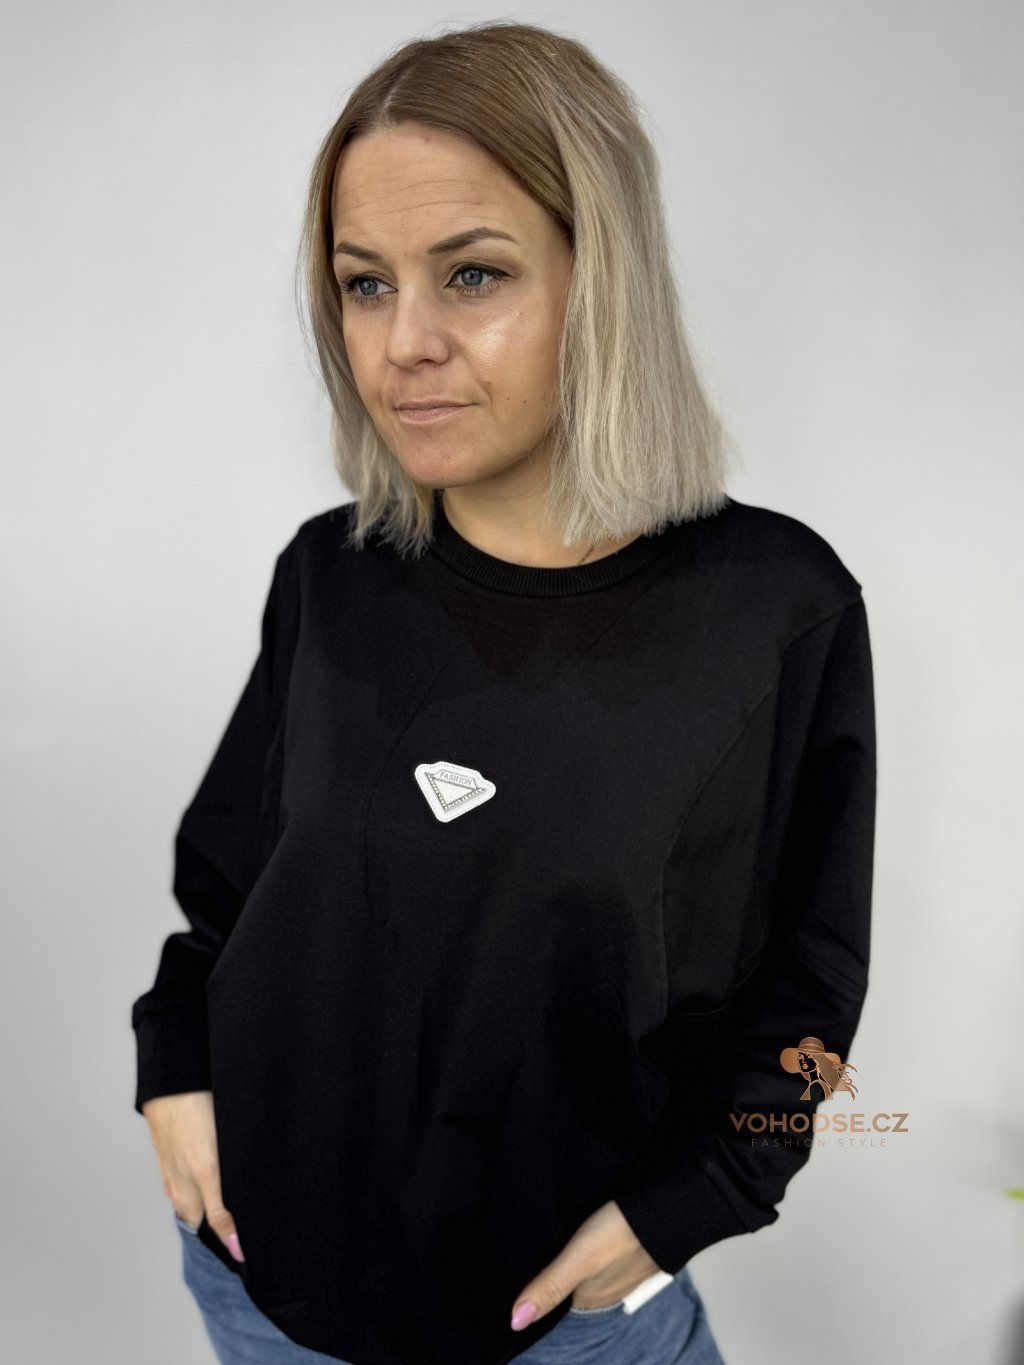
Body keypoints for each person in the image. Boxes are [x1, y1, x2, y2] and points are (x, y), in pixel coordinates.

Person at [131, 19, 876, 1365]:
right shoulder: (332, 575)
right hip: (265, 1291)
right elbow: (234, 891)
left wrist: (695, 1199)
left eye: (471, 274)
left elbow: (806, 985)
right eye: (364, 284)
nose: (404, 342)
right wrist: (172, 1063)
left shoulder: (776, 609)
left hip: (568, 1328)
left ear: (605, 279)